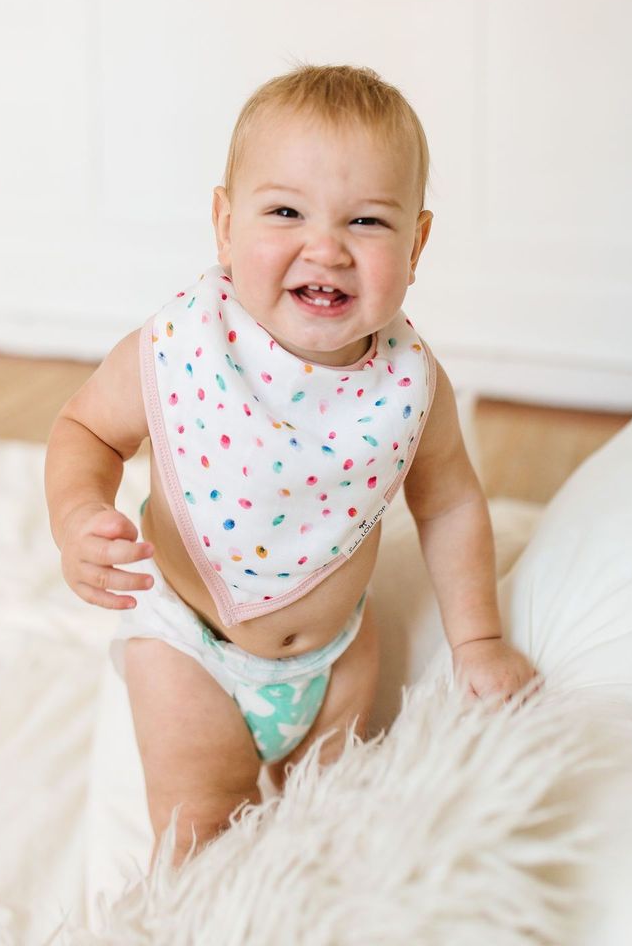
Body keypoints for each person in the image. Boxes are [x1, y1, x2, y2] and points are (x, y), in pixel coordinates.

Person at [45, 64, 537, 866]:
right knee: (202, 832)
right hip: (193, 648)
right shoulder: (181, 349)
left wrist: (476, 638)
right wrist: (77, 516)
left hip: (335, 655)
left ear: (415, 244)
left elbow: (448, 503)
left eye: (367, 222)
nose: (326, 248)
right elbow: (86, 430)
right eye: (284, 212)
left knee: (329, 827)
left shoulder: (408, 384)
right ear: (224, 224)